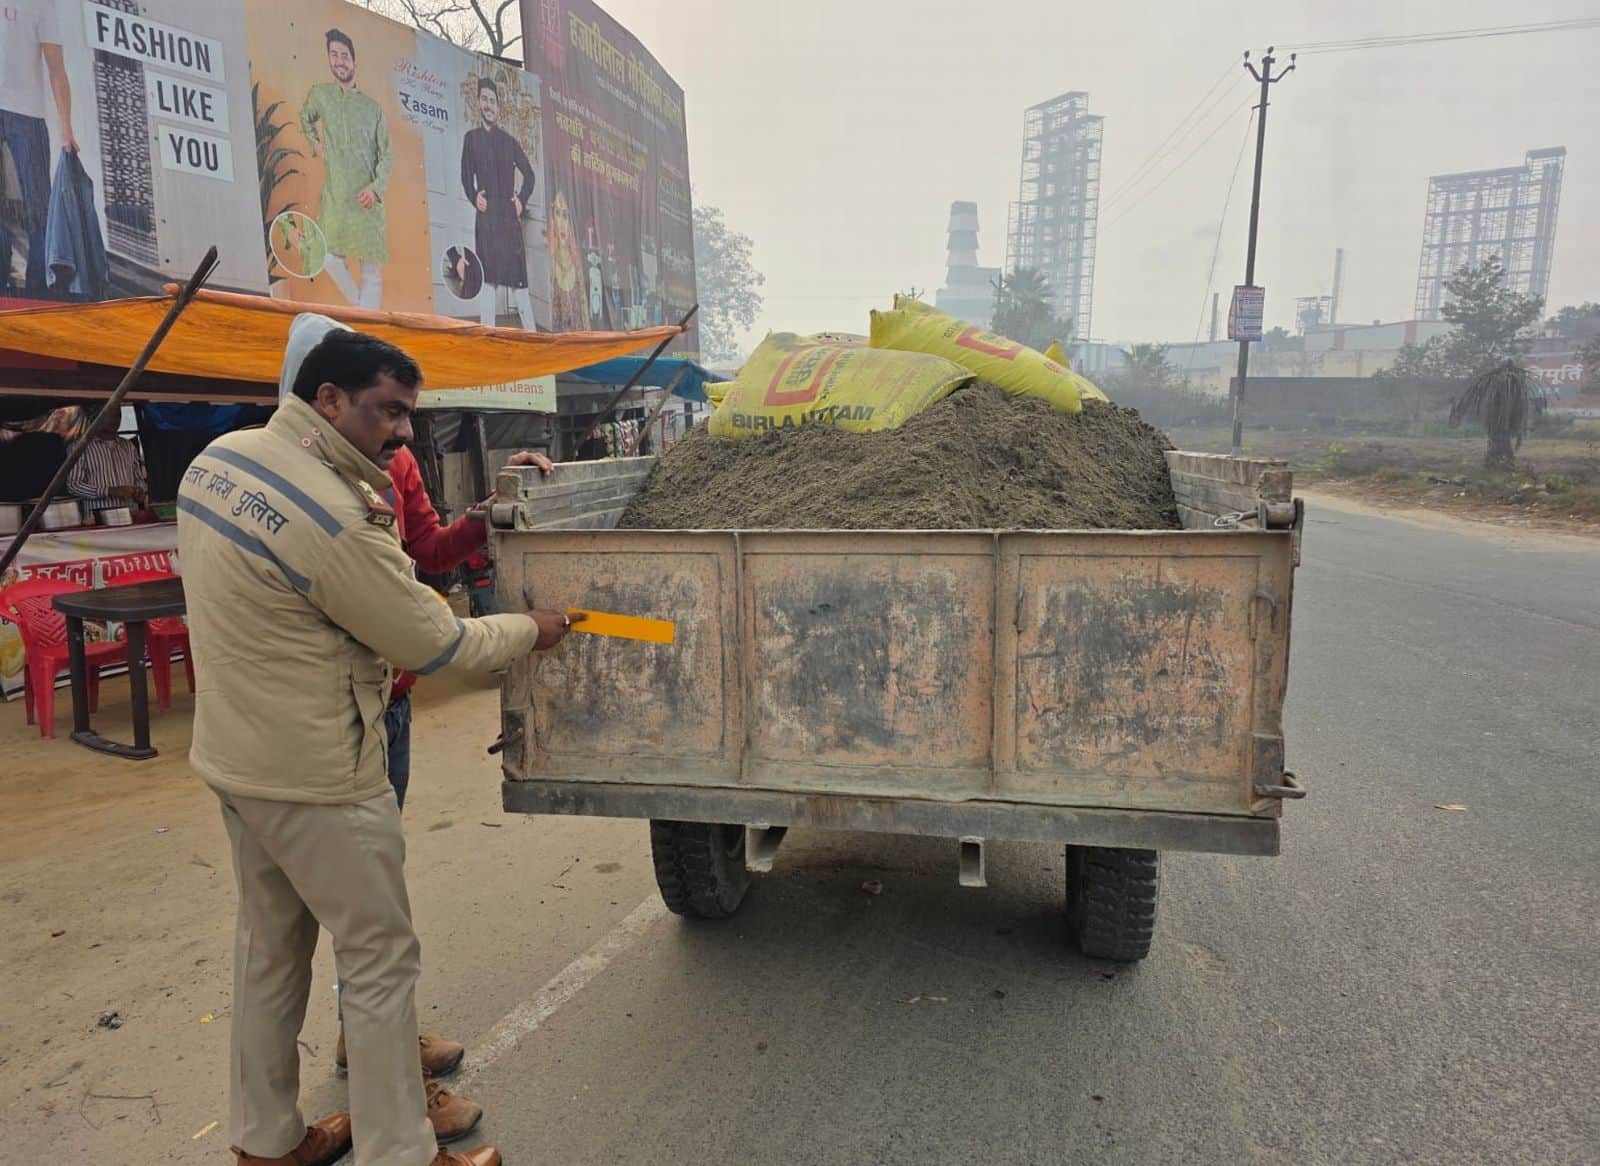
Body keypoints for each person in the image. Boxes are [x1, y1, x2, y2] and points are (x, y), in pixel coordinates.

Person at [180, 316, 574, 1166]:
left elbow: (419, 549)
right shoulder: (334, 514)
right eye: (389, 410)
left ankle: (267, 1140)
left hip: (236, 758)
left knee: (269, 950)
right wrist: (532, 629)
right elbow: (435, 644)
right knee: (379, 961)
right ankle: (402, 1150)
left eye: (408, 414)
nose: (403, 430)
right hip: (321, 773)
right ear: (326, 397)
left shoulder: (220, 464)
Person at [301, 29, 392, 309]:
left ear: (354, 61)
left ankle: (370, 335)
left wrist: (376, 190)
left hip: (367, 201)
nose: (340, 61)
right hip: (336, 198)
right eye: (334, 55)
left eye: (345, 56)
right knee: (325, 256)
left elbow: (387, 154)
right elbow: (305, 118)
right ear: (329, 59)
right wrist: (314, 143)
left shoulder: (372, 109)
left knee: (371, 274)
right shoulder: (321, 95)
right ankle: (360, 308)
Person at [0, 0, 77, 297]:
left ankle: (38, 290)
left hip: (28, 116)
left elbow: (56, 68)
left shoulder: (43, 4)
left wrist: (66, 127)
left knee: (39, 209)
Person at [460, 79, 537, 330]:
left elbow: (530, 175)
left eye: (492, 101)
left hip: (508, 218)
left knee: (519, 282)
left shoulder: (509, 141)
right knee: (488, 281)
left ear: (498, 107)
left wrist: (521, 200)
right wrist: (474, 197)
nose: (488, 105)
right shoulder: (470, 139)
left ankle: (532, 339)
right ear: (478, 102)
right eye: (484, 99)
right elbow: (465, 176)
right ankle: (487, 339)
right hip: (486, 220)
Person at [67, 409, 147, 514]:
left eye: (118, 416)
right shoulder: (79, 447)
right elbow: (74, 486)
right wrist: (109, 490)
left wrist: (139, 492)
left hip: (130, 513)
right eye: (109, 416)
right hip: (97, 518)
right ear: (95, 418)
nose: (115, 420)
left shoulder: (128, 446)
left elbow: (139, 479)